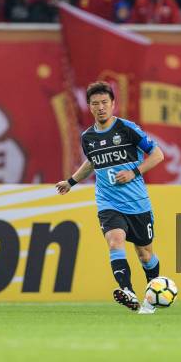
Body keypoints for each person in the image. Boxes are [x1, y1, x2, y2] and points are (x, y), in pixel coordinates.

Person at [55, 81, 165, 313]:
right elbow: (92, 162)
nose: (100, 107)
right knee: (114, 241)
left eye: (105, 102)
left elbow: (157, 155)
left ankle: (151, 297)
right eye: (95, 104)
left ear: (113, 104)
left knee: (145, 255)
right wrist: (71, 181)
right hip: (108, 202)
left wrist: (134, 172)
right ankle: (128, 291)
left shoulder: (127, 129)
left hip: (137, 203)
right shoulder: (88, 137)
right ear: (90, 107)